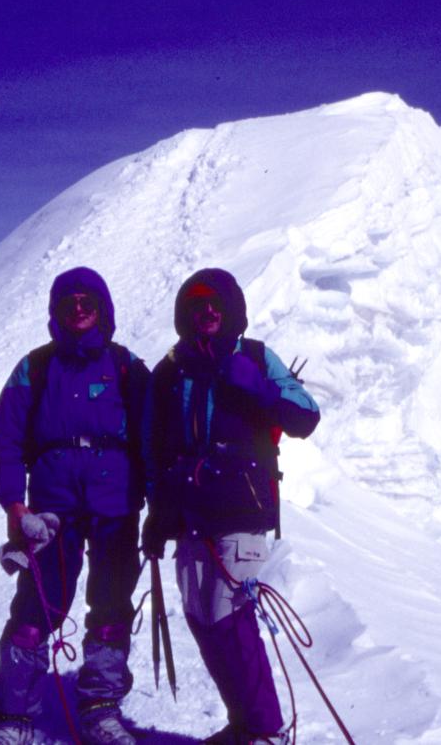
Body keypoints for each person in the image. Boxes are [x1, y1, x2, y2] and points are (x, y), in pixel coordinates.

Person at [143, 268, 320, 745]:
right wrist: (157, 512)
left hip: (243, 507)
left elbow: (306, 416)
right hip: (188, 512)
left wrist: (259, 388)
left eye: (215, 303)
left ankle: (266, 729)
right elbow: (154, 449)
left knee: (228, 616)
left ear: (231, 310)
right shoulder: (170, 370)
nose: (207, 311)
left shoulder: (257, 358)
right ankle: (245, 722)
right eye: (197, 304)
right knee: (201, 617)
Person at [0, 266, 150, 745]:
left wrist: (161, 504)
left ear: (103, 308)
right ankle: (16, 714)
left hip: (116, 503)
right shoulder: (36, 367)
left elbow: (153, 435)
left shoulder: (126, 366)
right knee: (39, 605)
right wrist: (13, 503)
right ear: (55, 311)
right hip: (52, 507)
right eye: (68, 301)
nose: (78, 308)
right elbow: (7, 436)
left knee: (112, 604)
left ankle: (100, 707)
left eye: (87, 300)